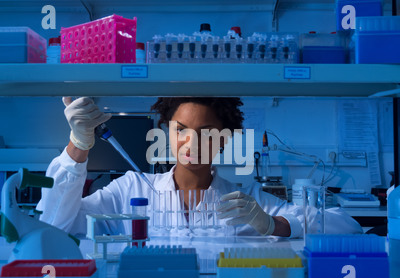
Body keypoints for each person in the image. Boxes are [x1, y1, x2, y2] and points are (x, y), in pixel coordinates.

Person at [37, 96, 362, 238]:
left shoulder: (246, 200)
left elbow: (347, 227)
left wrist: (272, 224)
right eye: (181, 130)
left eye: (206, 133)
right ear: (166, 131)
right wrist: (78, 145)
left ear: (224, 139)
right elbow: (54, 224)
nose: (191, 144)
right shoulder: (130, 188)